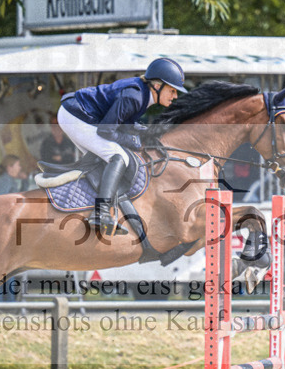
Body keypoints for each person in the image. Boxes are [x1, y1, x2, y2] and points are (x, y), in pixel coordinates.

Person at [57, 57, 187, 236]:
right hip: (75, 116)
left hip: (81, 115)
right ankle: (100, 213)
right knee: (119, 157)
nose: (175, 96)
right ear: (157, 86)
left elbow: (122, 122)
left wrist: (144, 131)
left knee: (108, 156)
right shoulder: (135, 96)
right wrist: (134, 141)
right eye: (172, 90)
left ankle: (96, 206)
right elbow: (106, 132)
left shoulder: (141, 94)